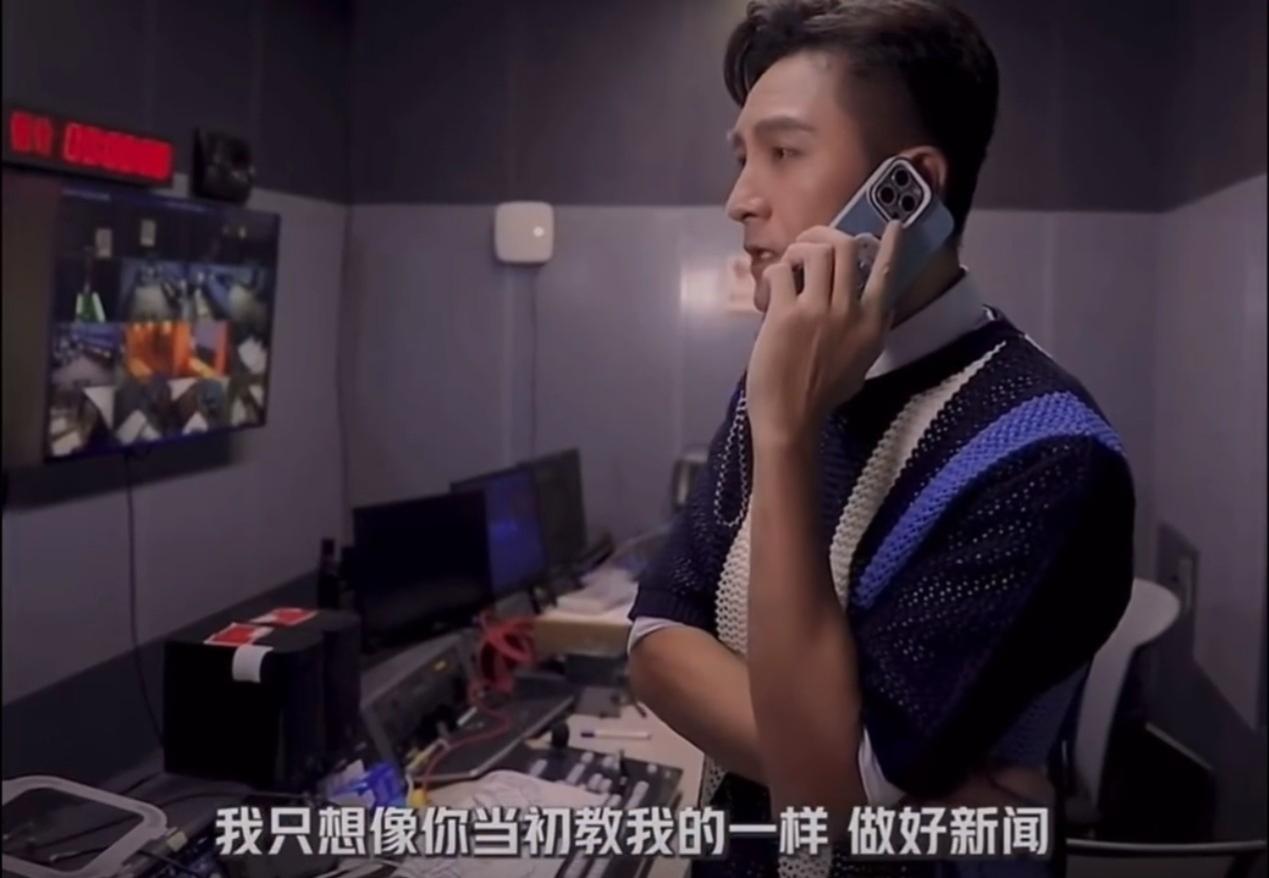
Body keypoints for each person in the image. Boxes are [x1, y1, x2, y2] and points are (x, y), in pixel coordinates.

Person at [627, 1, 1136, 875]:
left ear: (910, 190)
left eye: (783, 153)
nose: (738, 200)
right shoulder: (779, 379)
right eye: (743, 157)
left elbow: (826, 804)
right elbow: (654, 641)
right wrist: (842, 775)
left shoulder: (1047, 455)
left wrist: (786, 436)